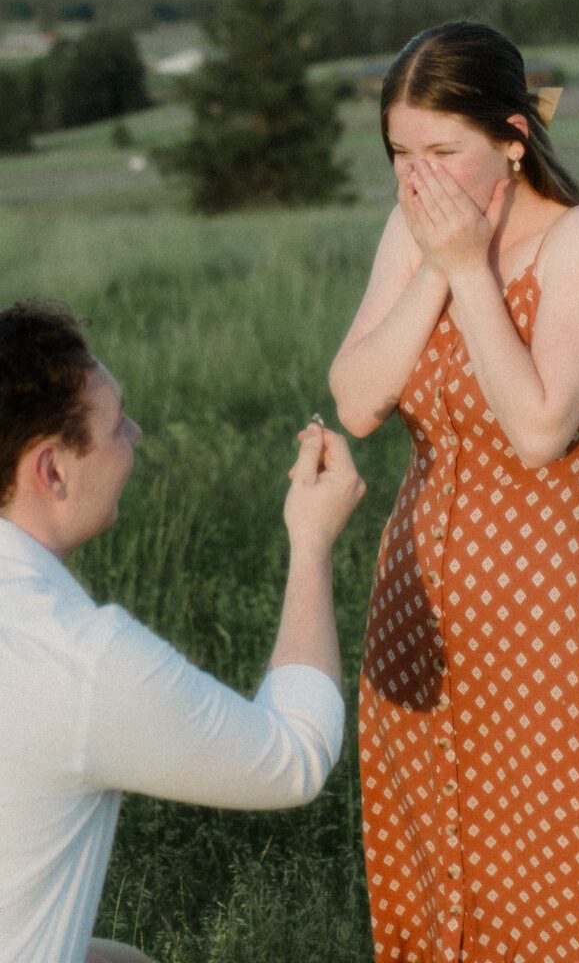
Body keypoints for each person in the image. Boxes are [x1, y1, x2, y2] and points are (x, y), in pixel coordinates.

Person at [329, 22, 579, 963]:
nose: (418, 178)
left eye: (443, 151)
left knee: (563, 894)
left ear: (513, 139)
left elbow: (537, 430)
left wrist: (466, 270)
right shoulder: (413, 230)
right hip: (414, 613)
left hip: (542, 625)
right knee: (438, 889)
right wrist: (436, 264)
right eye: (401, 153)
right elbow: (358, 400)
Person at [0, 300, 365, 963]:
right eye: (115, 426)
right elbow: (293, 758)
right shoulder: (81, 660)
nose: (134, 434)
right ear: (51, 470)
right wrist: (310, 542)